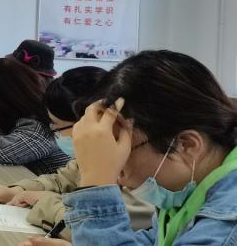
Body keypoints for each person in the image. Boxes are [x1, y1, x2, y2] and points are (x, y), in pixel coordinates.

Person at [20, 50, 237, 246]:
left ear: (186, 145)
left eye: (123, 154)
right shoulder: (189, 191)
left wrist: (96, 186)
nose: (118, 178)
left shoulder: (228, 222)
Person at [0, 66, 153, 240]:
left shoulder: (139, 171)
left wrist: (46, 202)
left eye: (57, 126)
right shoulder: (95, 154)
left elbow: (99, 230)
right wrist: (17, 190)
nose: (56, 133)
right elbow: (62, 180)